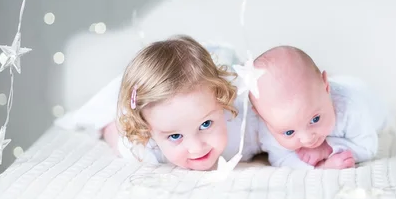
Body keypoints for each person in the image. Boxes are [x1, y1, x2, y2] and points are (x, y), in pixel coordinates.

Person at [56, 35, 261, 171]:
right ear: (149, 130)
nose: (196, 147)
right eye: (174, 136)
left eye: (206, 124)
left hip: (219, 64)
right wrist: (112, 129)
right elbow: (120, 141)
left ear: (222, 100)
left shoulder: (246, 122)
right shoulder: (145, 146)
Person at [250, 46, 390, 169]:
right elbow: (281, 159)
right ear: (261, 117)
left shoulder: (350, 108)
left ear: (326, 86)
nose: (307, 139)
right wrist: (323, 166)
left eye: (315, 119)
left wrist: (327, 149)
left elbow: (367, 147)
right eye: (289, 132)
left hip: (368, 97)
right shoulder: (271, 122)